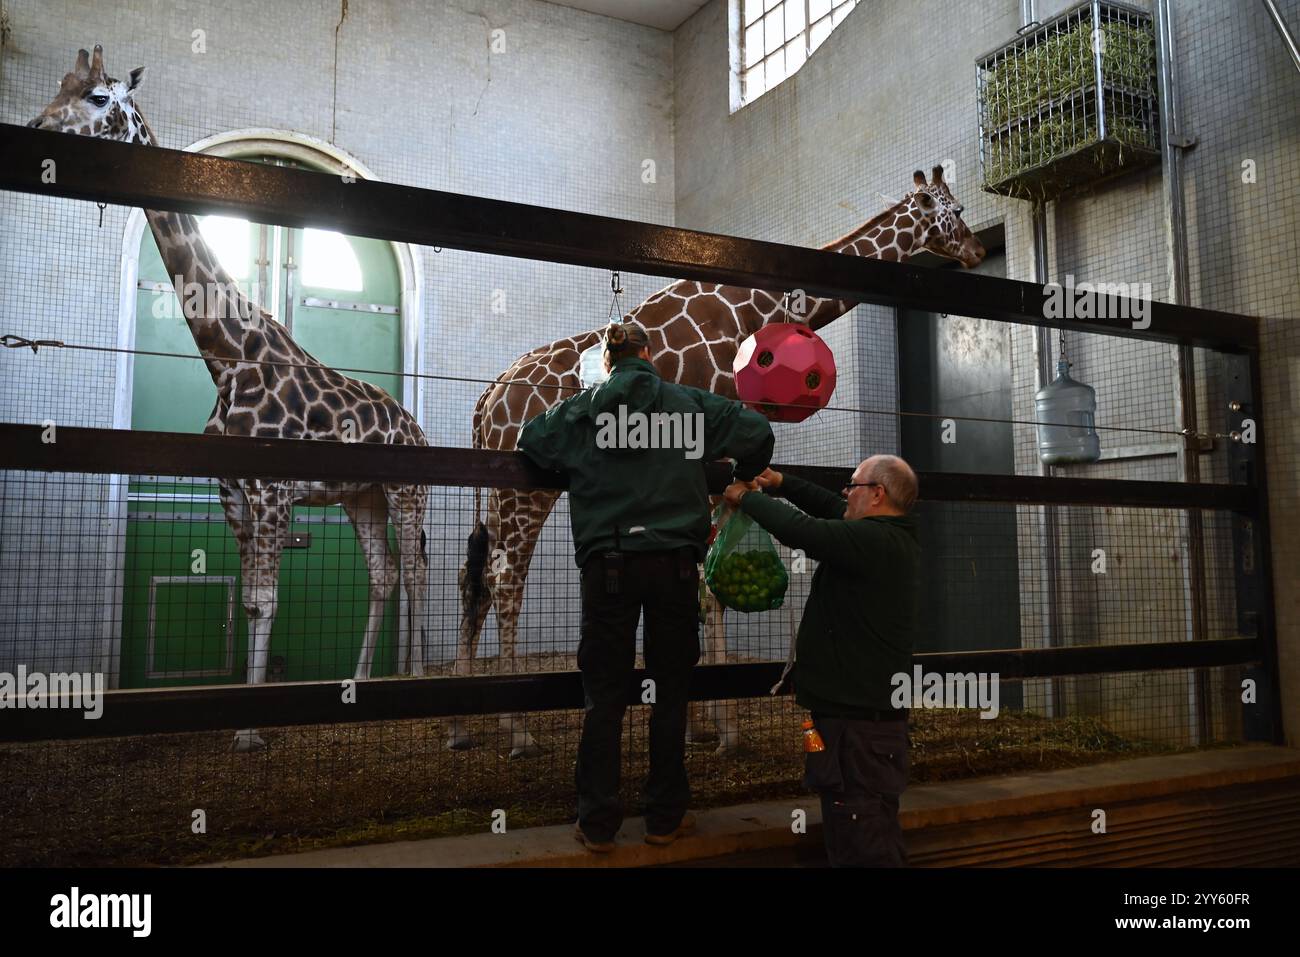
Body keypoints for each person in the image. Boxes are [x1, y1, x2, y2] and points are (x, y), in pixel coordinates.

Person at [518, 320, 774, 853]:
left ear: (608, 361)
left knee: (604, 696)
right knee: (671, 690)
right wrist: (734, 478)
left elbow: (531, 442)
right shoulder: (689, 406)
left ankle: (598, 825)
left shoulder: (585, 409)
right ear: (649, 353)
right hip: (676, 568)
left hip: (608, 566)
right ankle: (663, 818)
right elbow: (758, 435)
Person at [723, 455, 920, 867]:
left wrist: (745, 497)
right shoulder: (886, 534)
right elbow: (830, 509)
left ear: (877, 494)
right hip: (861, 727)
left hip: (857, 733)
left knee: (861, 834)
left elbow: (803, 531)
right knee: (867, 826)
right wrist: (780, 482)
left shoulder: (873, 541)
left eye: (853, 485)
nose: (845, 493)